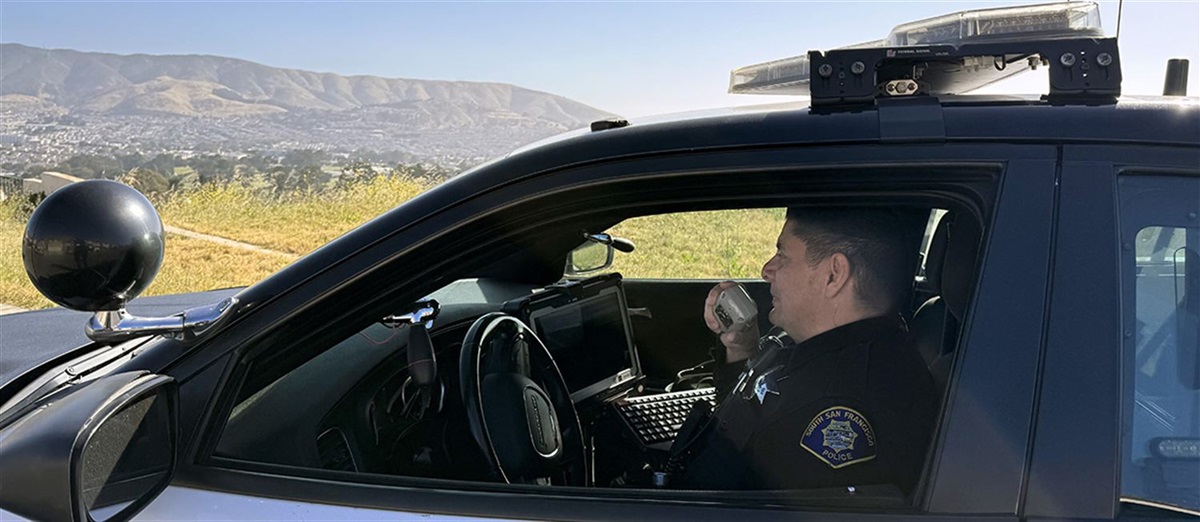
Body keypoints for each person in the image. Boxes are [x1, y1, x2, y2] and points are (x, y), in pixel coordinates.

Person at [672, 206, 937, 492]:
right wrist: (742, 348)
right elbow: (748, 426)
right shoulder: (823, 350)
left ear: (833, 275)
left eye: (783, 256)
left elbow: (735, 492)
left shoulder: (838, 406)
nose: (766, 270)